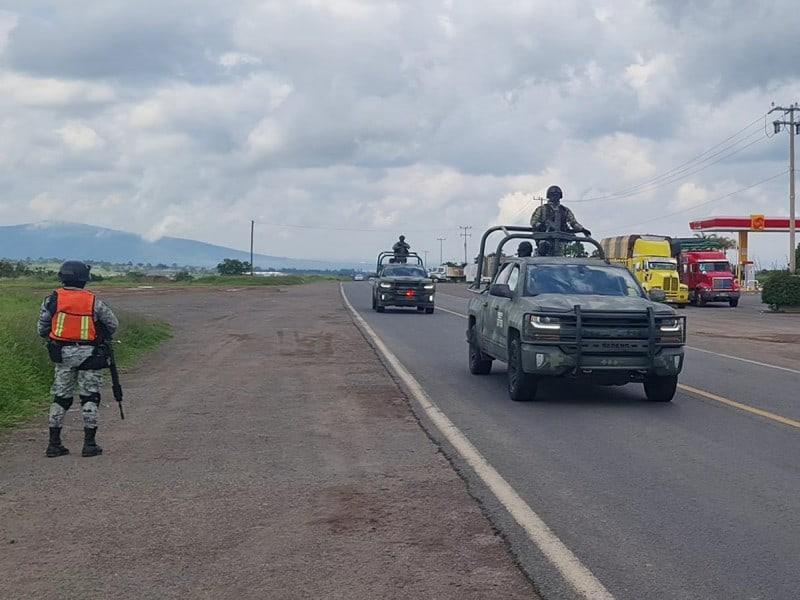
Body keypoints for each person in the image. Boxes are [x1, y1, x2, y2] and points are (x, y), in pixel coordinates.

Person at [37, 261, 118, 458]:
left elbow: (42, 328)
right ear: (84, 279)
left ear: (62, 277)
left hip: (62, 356)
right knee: (90, 397)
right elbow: (112, 324)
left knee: (60, 398)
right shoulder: (93, 301)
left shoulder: (52, 300)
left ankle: (53, 444)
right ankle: (89, 445)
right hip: (90, 356)